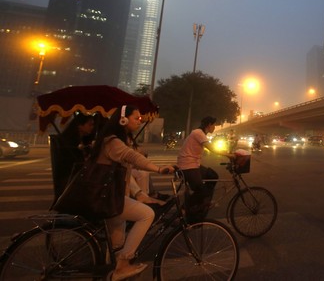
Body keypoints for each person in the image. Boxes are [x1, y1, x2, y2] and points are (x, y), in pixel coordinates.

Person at [90, 105, 174, 281]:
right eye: (136, 117)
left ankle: (113, 272)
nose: (139, 120)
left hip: (112, 196)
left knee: (116, 244)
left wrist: (139, 193)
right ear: (123, 119)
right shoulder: (112, 142)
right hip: (108, 197)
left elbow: (132, 161)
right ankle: (123, 264)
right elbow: (133, 157)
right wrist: (159, 169)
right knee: (147, 214)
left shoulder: (116, 140)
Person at [177, 116, 228, 220]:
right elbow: (213, 149)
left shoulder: (201, 133)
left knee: (213, 175)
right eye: (214, 125)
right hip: (187, 166)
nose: (215, 127)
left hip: (193, 164)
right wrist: (230, 155)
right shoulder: (198, 133)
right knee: (200, 190)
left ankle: (204, 202)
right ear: (209, 125)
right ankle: (183, 210)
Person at [52, 112, 96, 202]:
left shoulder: (84, 140)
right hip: (70, 178)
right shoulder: (68, 142)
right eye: (90, 124)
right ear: (80, 125)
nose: (92, 127)